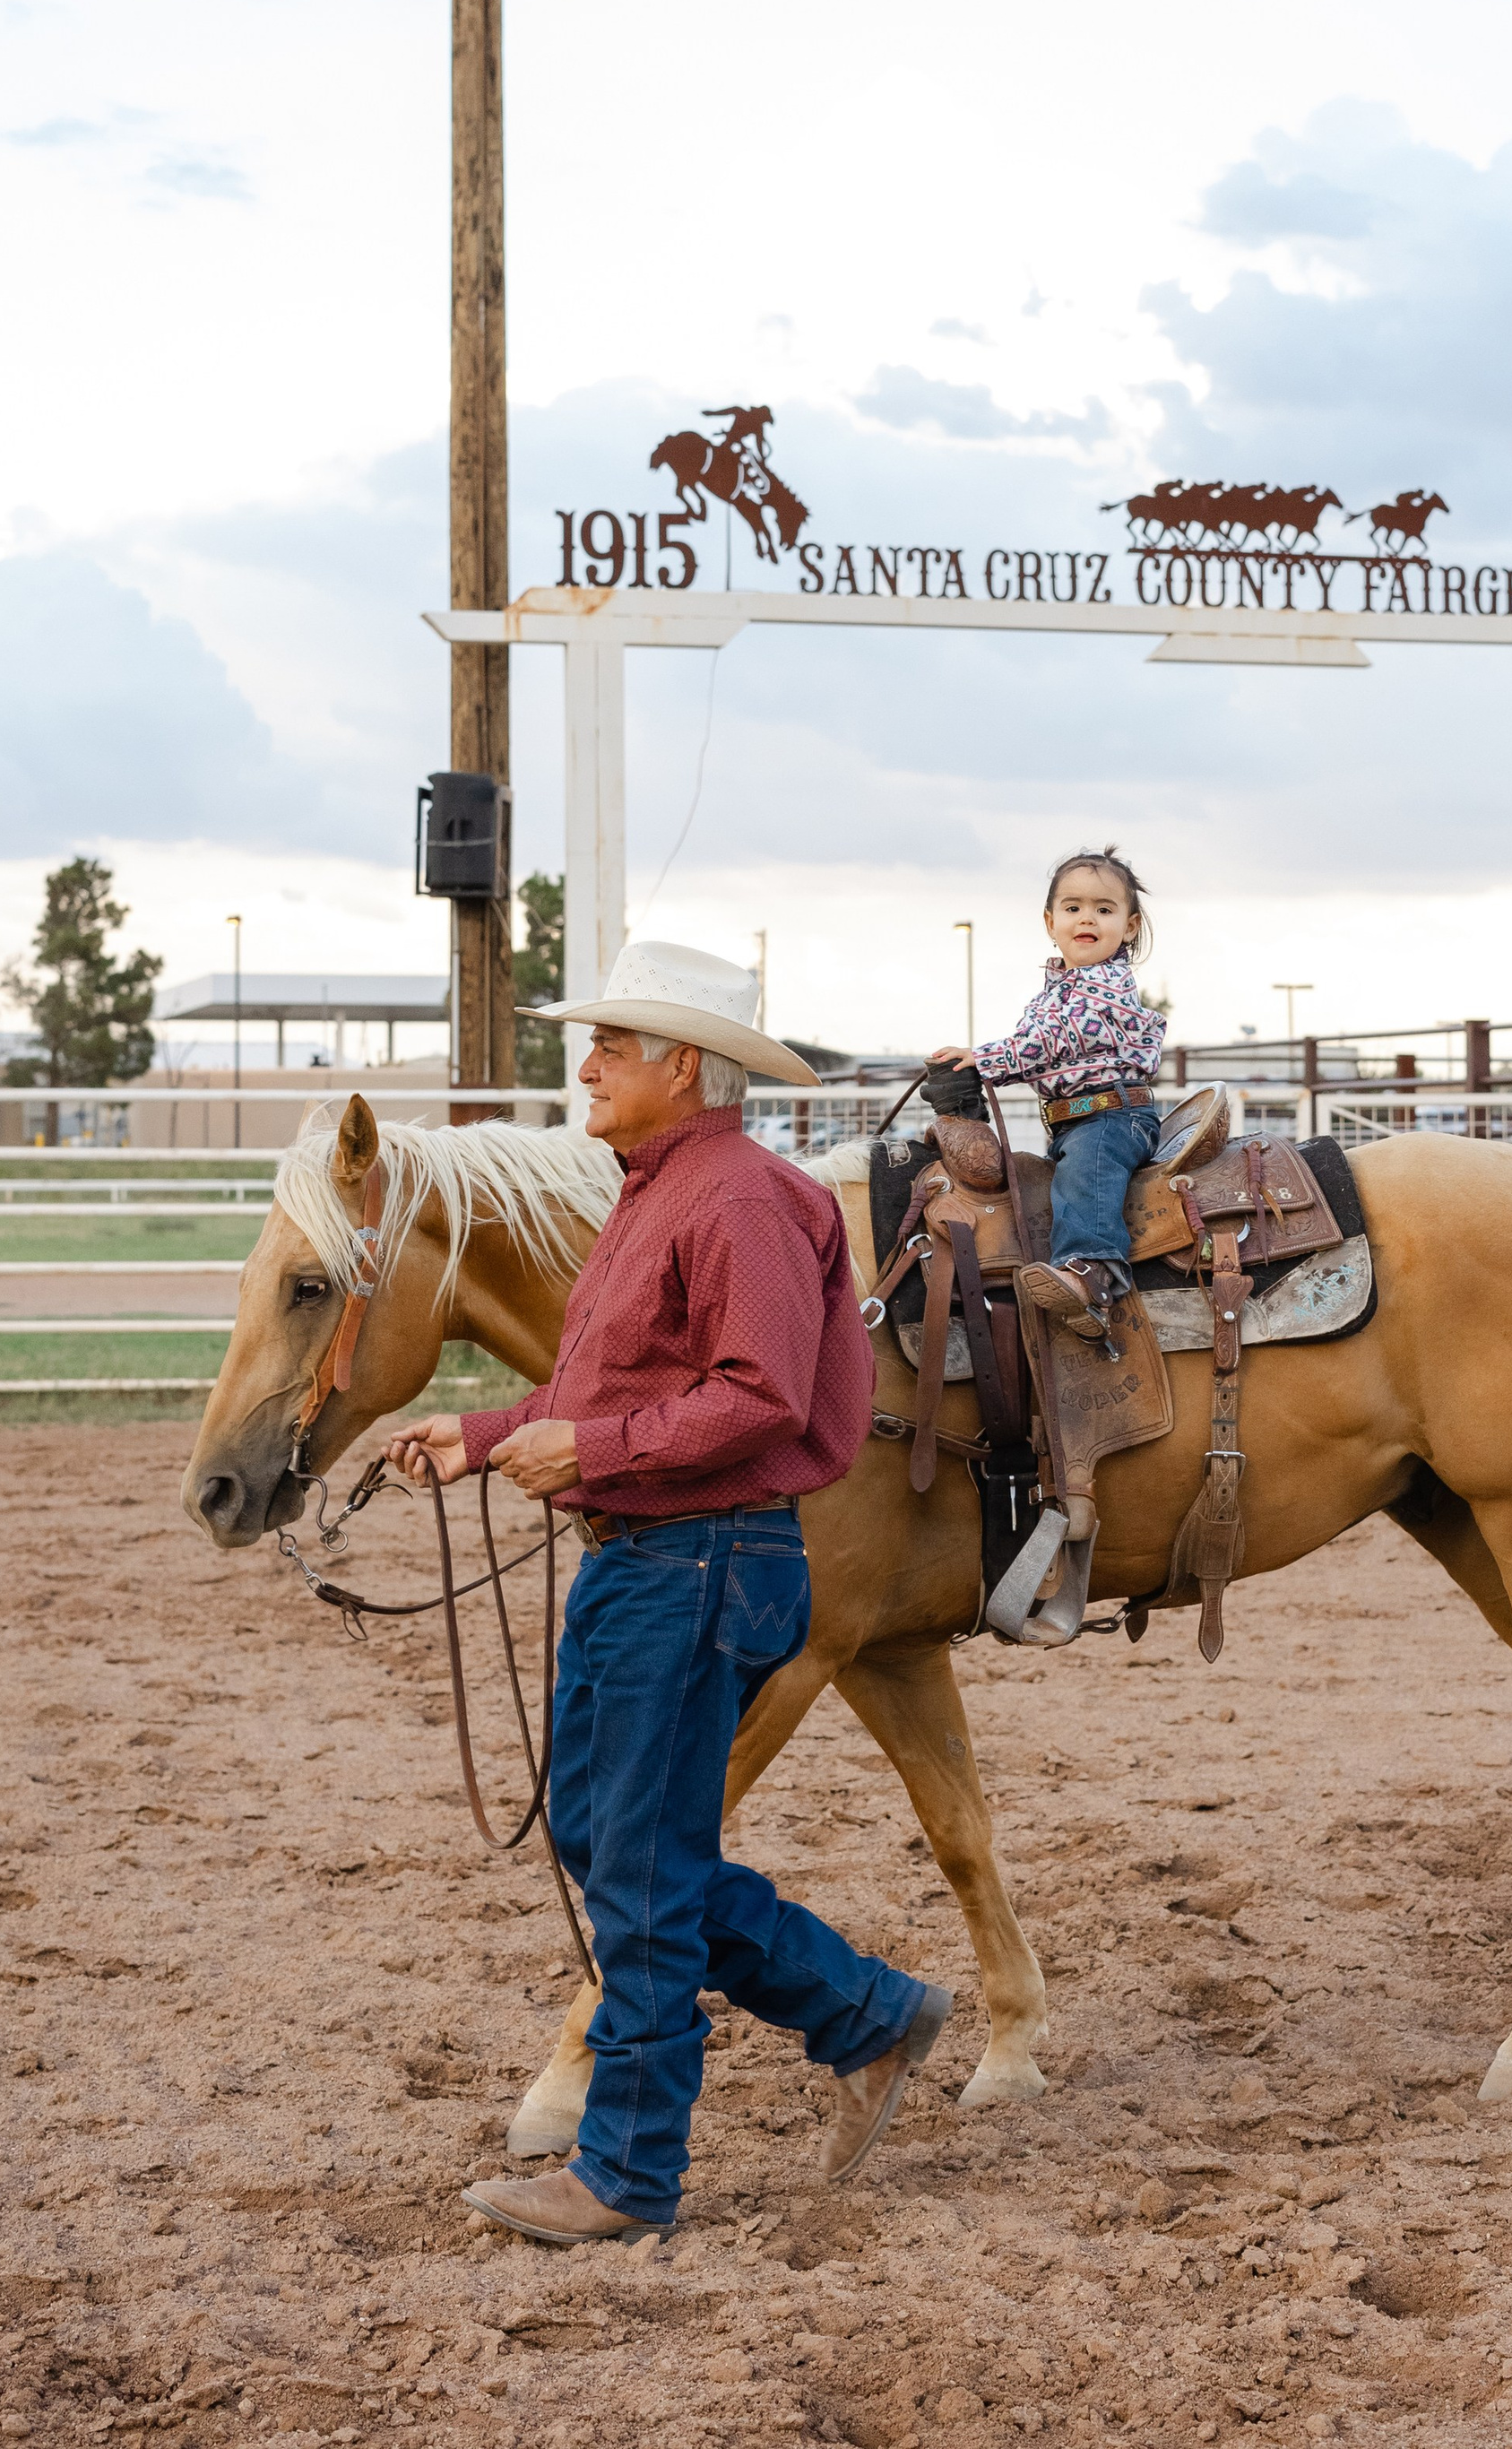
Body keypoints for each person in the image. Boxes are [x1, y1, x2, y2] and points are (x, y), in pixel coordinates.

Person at [386, 939, 950, 2250]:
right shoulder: (657, 1193)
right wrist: (479, 1435)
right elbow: (612, 1393)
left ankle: (628, 2170)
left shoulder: (739, 1200)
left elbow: (760, 1400)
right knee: (606, 1836)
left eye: (612, 1046)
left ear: (681, 1064)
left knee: (634, 1859)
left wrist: (586, 1453)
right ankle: (863, 2013)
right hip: (653, 1560)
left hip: (697, 1560)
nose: (585, 1065)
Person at [930, 845, 1165, 1328]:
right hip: (1073, 1121)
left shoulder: (1108, 985)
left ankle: (1092, 1272)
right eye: (1073, 908)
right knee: (1055, 1176)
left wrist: (984, 1059)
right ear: (1050, 921)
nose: (1088, 919)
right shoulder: (1056, 990)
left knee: (1086, 1175)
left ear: (1131, 925)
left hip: (1112, 1118)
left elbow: (1054, 1041)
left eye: (1105, 910)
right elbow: (1033, 1040)